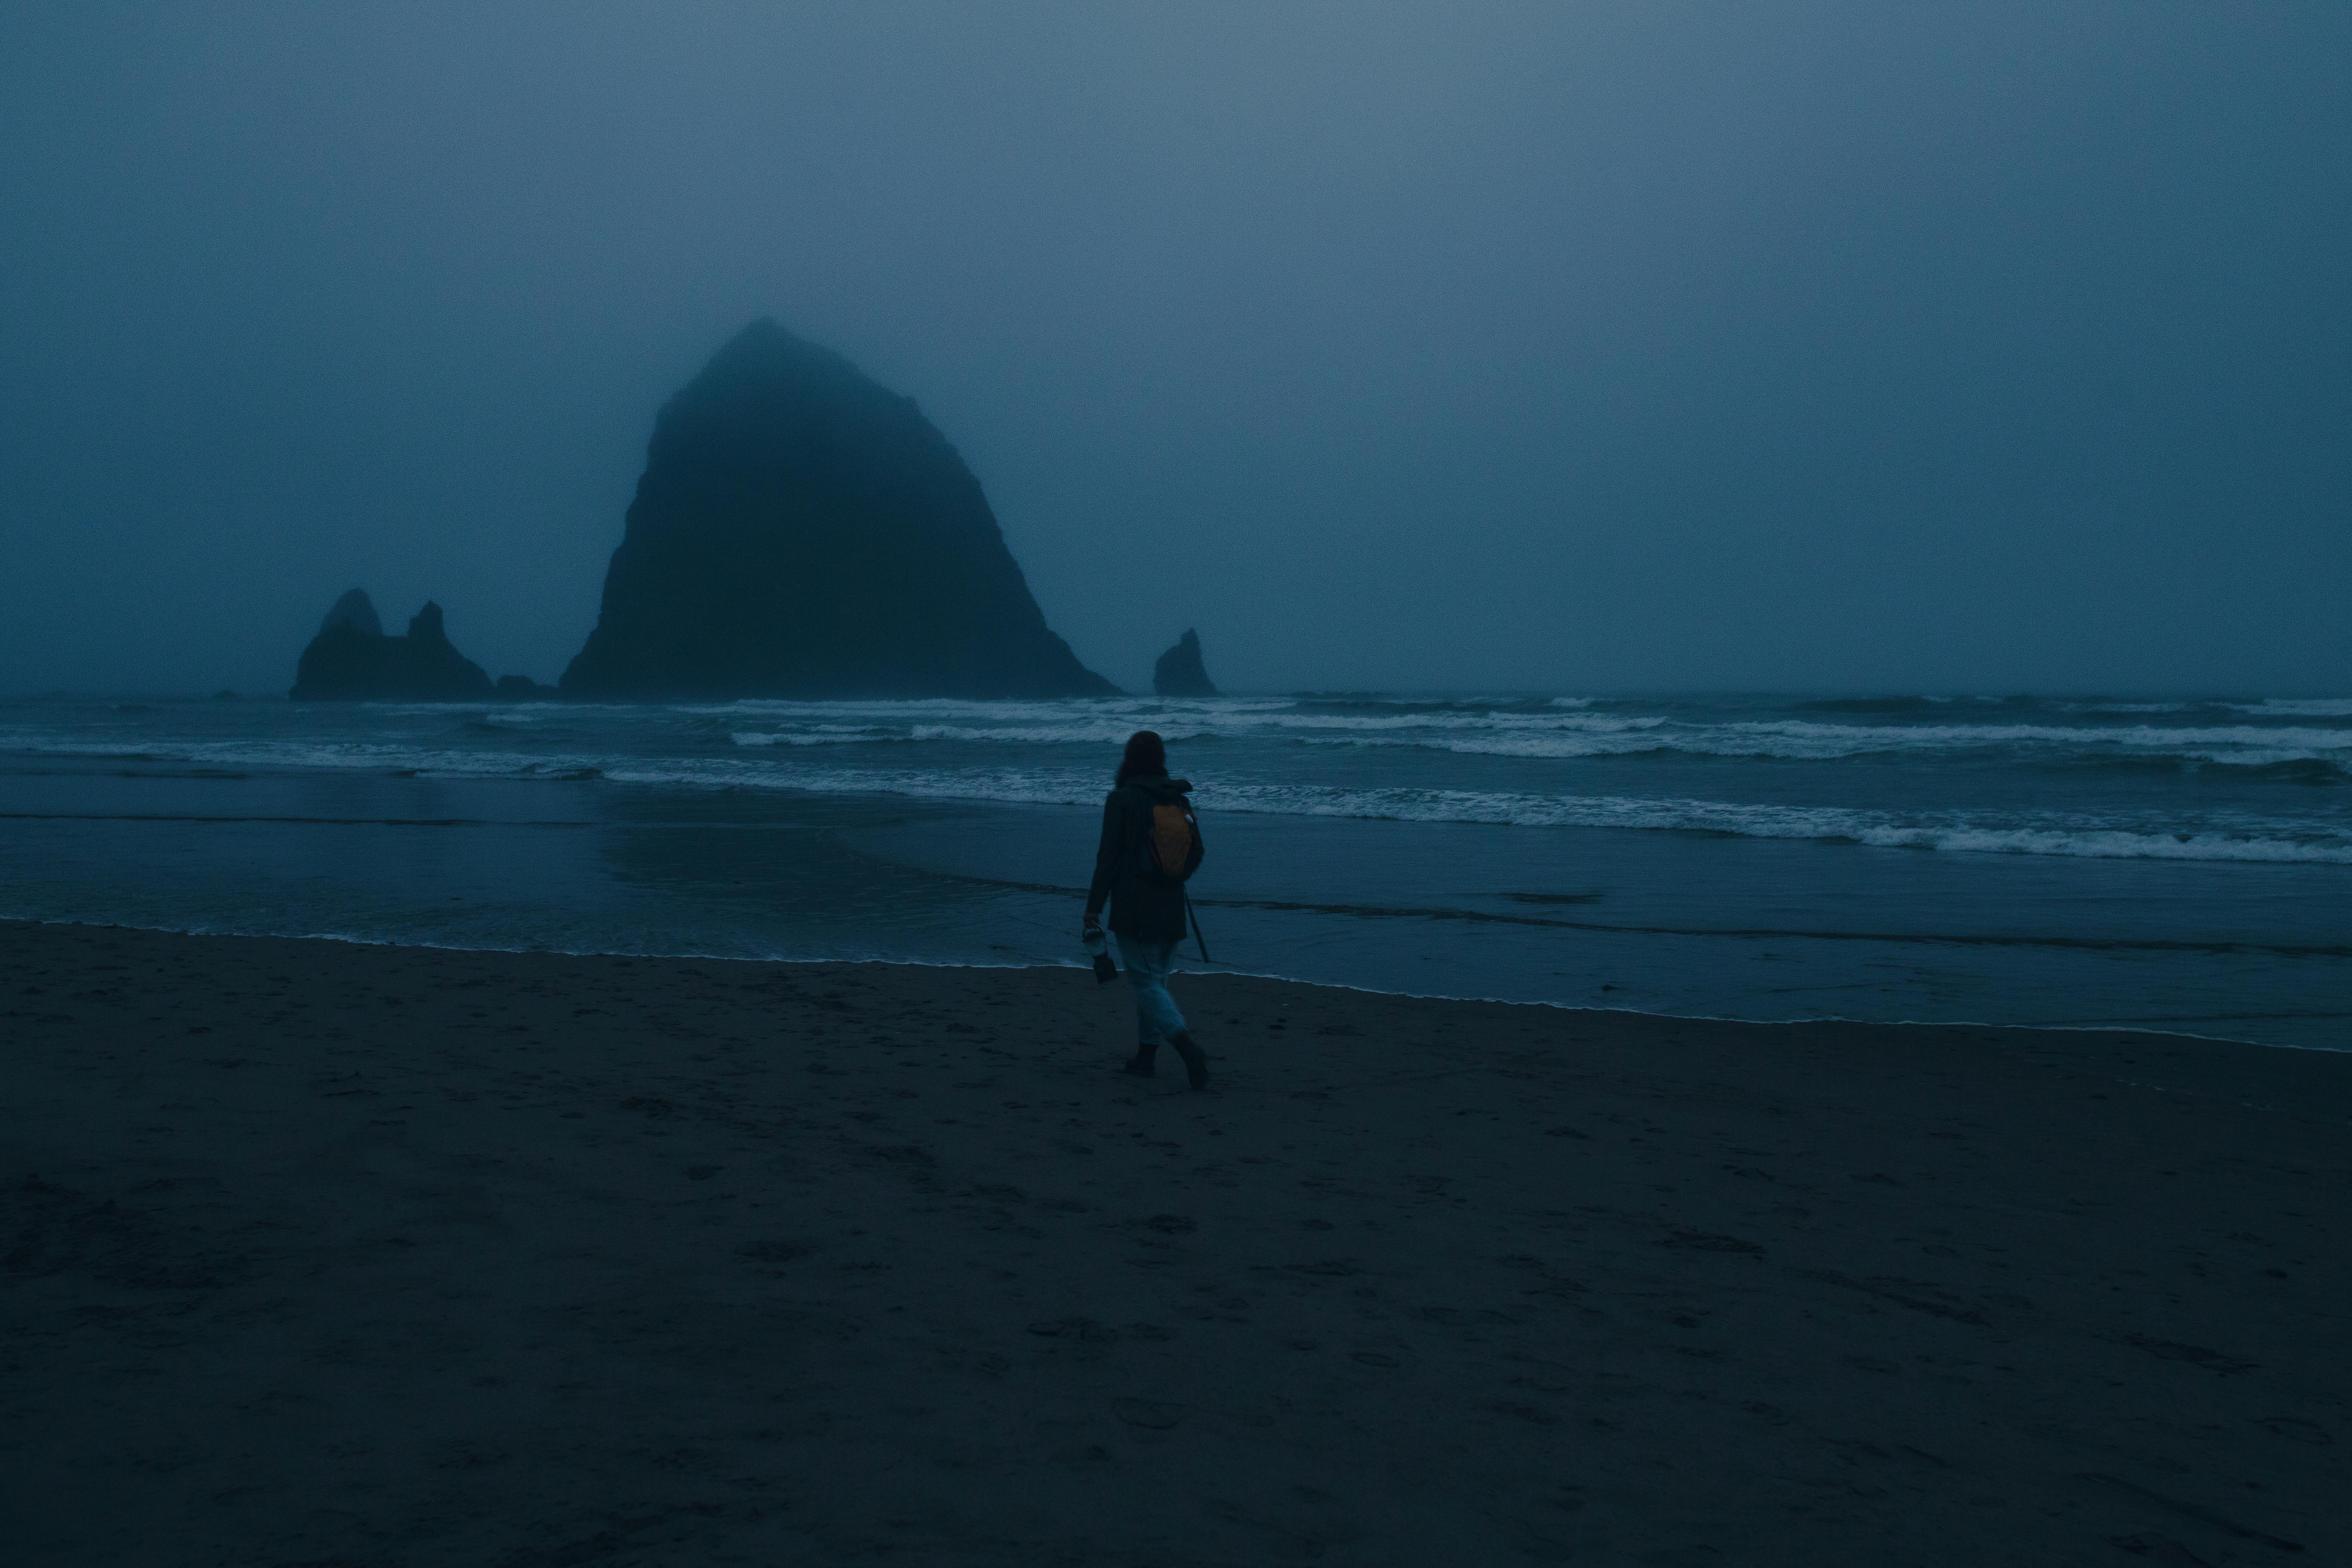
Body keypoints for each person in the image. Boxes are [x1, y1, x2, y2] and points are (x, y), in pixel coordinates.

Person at [1084, 730, 1209, 1088]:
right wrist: (1174, 876)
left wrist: (1094, 907)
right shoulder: (1177, 799)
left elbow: (1108, 858)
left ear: (1129, 759)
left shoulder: (1122, 799)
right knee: (1157, 983)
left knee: (1145, 984)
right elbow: (1197, 852)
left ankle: (1186, 1046)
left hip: (1134, 906)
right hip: (1172, 904)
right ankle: (1146, 1057)